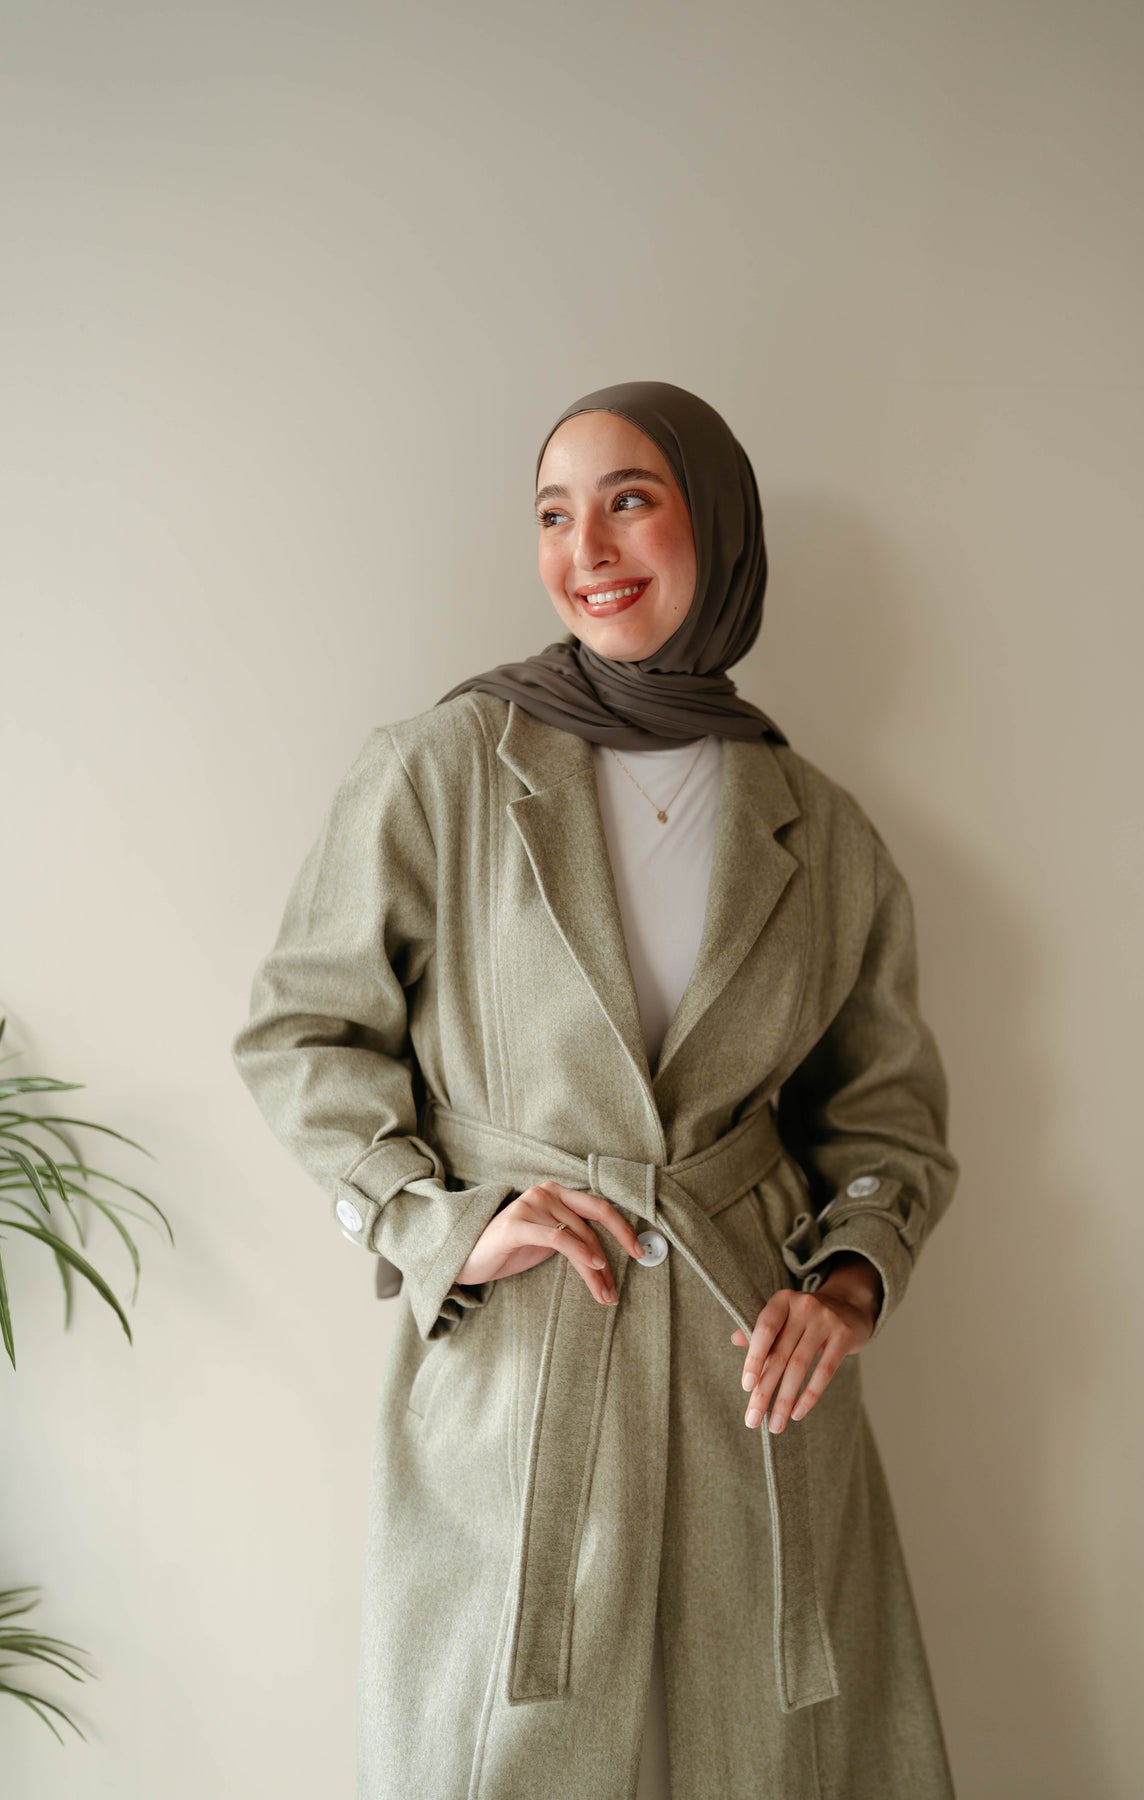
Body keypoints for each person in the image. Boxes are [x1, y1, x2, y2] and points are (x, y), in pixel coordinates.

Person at [231, 379, 960, 1799]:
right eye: (555, 514)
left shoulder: (822, 830)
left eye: (631, 500)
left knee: (770, 1758)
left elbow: (882, 1114)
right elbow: (301, 1032)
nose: (589, 549)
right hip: (523, 1373)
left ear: (717, 526)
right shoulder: (443, 770)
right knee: (503, 1751)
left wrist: (849, 1284)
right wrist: (440, 1222)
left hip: (753, 1381)